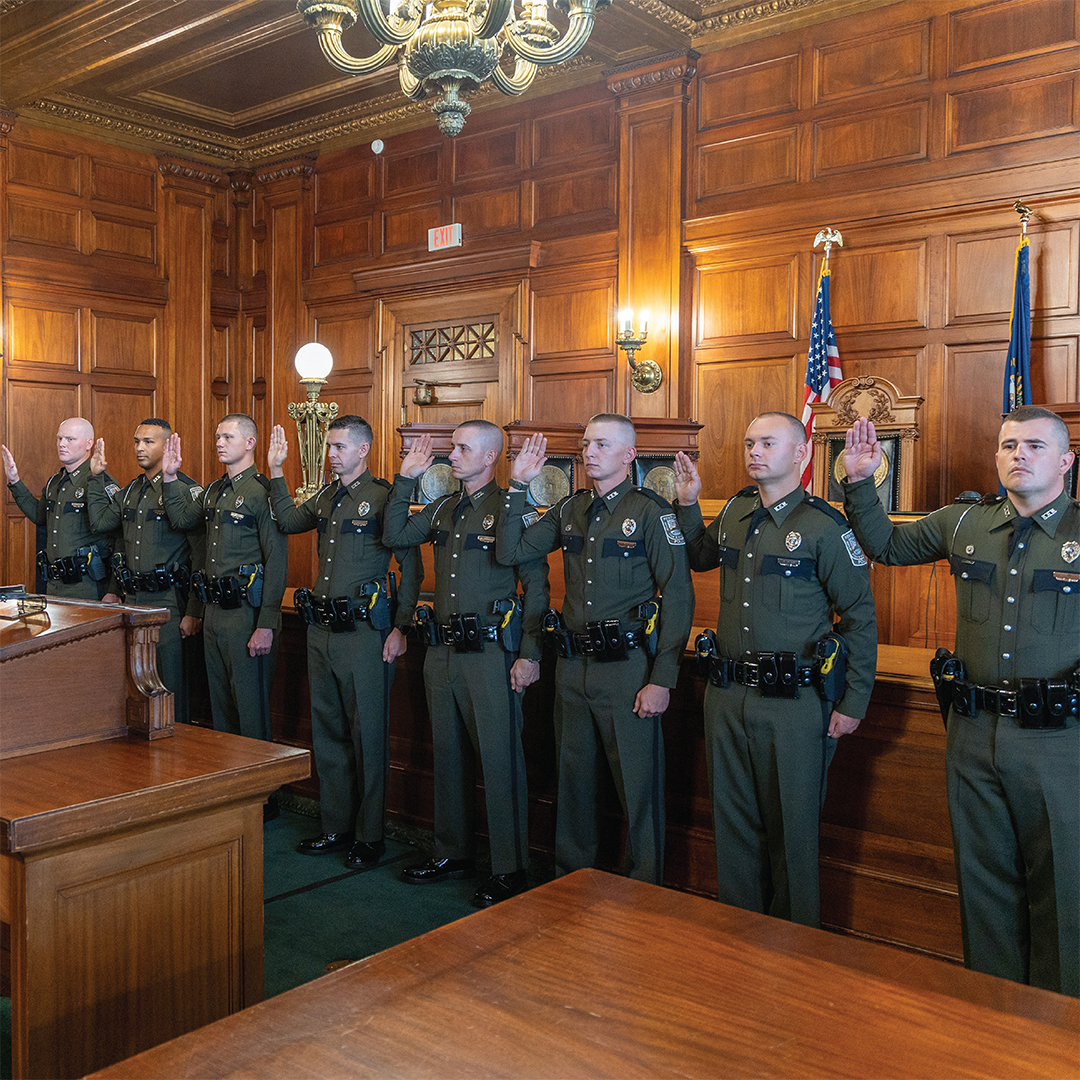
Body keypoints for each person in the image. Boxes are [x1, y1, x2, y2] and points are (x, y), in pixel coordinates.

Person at [843, 406, 1078, 995]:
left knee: (1063, 888)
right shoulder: (965, 522)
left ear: (1067, 461)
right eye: (1007, 446)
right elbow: (886, 546)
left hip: (1059, 743)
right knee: (984, 879)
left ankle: (1056, 1027)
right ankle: (994, 1012)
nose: (1018, 455)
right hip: (973, 733)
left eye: (1034, 446)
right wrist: (860, 478)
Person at [671, 411, 877, 927]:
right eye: (749, 441)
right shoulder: (740, 510)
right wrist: (690, 502)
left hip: (793, 704)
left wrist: (853, 702)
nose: (755, 451)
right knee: (734, 824)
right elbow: (699, 557)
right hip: (728, 694)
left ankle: (795, 950)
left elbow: (859, 618)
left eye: (767, 442)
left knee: (793, 830)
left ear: (801, 454)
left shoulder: (824, 526)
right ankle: (742, 937)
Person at [498, 415, 693, 886]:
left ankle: (645, 887)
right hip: (573, 665)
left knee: (638, 787)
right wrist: (518, 487)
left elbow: (679, 594)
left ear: (629, 456)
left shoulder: (650, 511)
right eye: (587, 444)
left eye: (603, 444)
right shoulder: (570, 508)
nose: (590, 452)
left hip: (626, 668)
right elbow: (510, 552)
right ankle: (572, 880)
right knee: (574, 780)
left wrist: (662, 677)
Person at [382, 421, 548, 907]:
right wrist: (406, 478)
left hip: (492, 656)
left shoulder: (511, 509)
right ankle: (452, 852)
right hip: (443, 652)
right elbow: (395, 535)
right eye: (451, 447)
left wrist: (530, 654)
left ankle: (508, 866)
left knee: (499, 760)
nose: (451, 455)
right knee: (448, 755)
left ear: (492, 456)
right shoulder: (444, 507)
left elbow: (536, 588)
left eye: (462, 448)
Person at [267, 416, 422, 868]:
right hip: (322, 632)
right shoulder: (328, 496)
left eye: (339, 447)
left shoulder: (384, 498)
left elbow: (410, 570)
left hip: (366, 635)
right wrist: (276, 471)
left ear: (363, 450)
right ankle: (336, 826)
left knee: (367, 735)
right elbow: (289, 519)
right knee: (329, 732)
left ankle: (370, 836)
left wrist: (402, 626)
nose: (331, 454)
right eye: (329, 446)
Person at [160, 414, 287, 748]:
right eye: (217, 436)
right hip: (214, 611)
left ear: (250, 442)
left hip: (246, 614)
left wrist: (267, 623)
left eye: (227, 437)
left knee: (250, 712)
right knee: (222, 712)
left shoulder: (262, 492)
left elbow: (276, 559)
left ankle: (263, 798)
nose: (219, 442)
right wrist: (170, 477)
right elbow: (182, 518)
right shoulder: (215, 489)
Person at [85, 419, 206, 723]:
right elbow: (115, 539)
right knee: (137, 687)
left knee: (171, 687)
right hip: (133, 600)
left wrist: (194, 610)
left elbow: (200, 555)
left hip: (169, 601)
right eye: (137, 441)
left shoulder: (187, 491)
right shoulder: (130, 491)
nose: (140, 448)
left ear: (167, 446)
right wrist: (113, 588)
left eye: (148, 442)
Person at [3, 418, 118, 600]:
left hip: (88, 585)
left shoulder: (100, 481)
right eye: (59, 438)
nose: (62, 444)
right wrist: (15, 481)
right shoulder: (55, 482)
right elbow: (40, 517)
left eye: (70, 439)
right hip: (54, 584)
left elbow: (119, 535)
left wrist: (114, 589)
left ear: (89, 443)